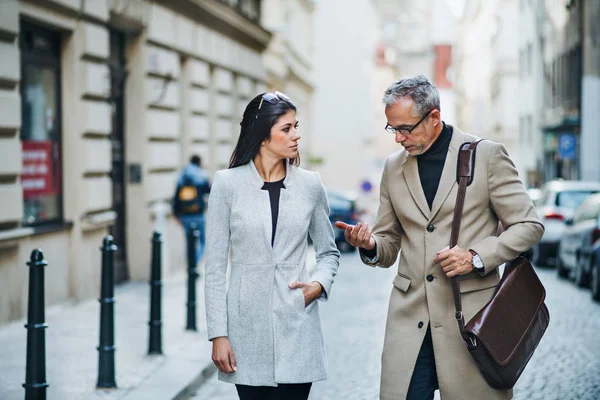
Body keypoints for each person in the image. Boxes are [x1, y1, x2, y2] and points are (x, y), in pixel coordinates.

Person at [335, 75, 544, 400]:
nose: (398, 139)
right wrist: (371, 245)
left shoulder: (486, 156)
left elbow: (529, 225)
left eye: (405, 128)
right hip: (410, 321)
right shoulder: (393, 168)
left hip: (471, 321)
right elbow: (388, 242)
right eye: (393, 129)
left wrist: (475, 256)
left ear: (434, 117)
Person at [204, 91, 340, 400]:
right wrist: (218, 334)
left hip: (297, 324)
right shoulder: (226, 185)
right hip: (245, 333)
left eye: (296, 126)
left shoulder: (310, 185)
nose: (296, 135)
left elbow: (329, 252)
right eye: (287, 128)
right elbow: (213, 269)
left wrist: (318, 285)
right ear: (263, 136)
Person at [172, 154, 211, 264]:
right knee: (202, 242)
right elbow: (210, 191)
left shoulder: (182, 176)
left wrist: (176, 214)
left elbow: (176, 198)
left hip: (184, 216)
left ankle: (190, 263)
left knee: (189, 242)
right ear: (199, 163)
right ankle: (194, 263)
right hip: (198, 215)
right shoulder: (201, 176)